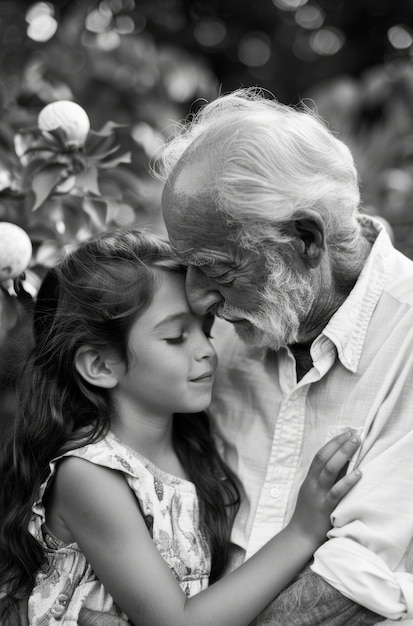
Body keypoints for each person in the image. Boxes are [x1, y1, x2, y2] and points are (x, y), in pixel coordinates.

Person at [0, 226, 362, 626]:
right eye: (176, 337)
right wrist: (303, 531)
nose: (207, 349)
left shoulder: (193, 446)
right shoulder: (90, 476)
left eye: (206, 330)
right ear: (101, 366)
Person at [156, 88, 413, 625]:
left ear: (305, 238)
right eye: (188, 269)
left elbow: (353, 585)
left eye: (220, 270)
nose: (199, 298)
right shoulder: (216, 332)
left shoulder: (405, 331)